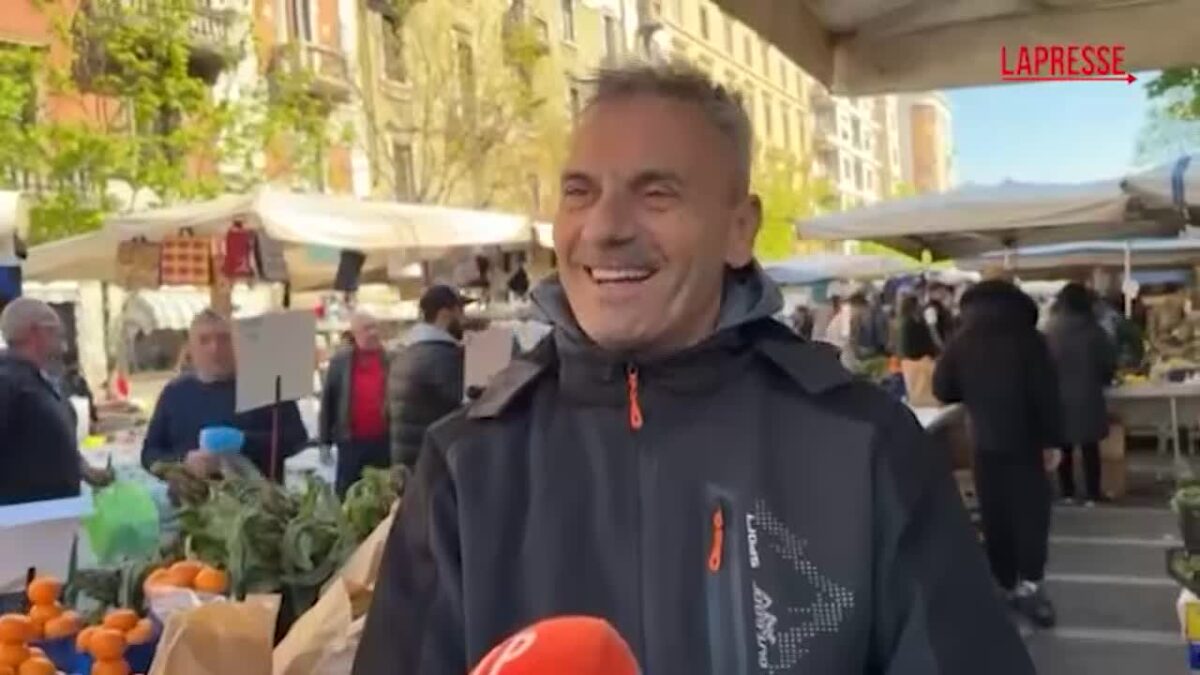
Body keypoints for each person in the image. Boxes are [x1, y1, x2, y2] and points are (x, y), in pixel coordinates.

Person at [354, 63, 1032, 675]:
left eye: (656, 193)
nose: (605, 227)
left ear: (739, 228)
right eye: (580, 192)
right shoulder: (467, 466)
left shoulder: (866, 448)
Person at [933, 279, 1062, 628]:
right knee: (1031, 515)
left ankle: (1004, 584)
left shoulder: (962, 340)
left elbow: (943, 388)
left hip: (984, 443)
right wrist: (1052, 441)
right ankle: (1031, 587)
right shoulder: (1030, 340)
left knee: (995, 515)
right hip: (1028, 443)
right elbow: (1047, 394)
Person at [141, 309, 308, 480]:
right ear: (191, 349)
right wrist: (184, 461)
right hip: (192, 493)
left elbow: (297, 439)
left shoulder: (267, 386)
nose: (215, 348)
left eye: (224, 339)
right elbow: (149, 454)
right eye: (204, 340)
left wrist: (244, 442)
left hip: (257, 494)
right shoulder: (175, 393)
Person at [1, 298, 110, 505]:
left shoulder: (40, 380)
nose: (63, 345)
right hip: (23, 517)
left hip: (55, 511)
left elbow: (42, 442)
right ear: (36, 332)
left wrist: (81, 467)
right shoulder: (7, 381)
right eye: (56, 332)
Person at [1046, 283, 1116, 506]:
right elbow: (1107, 364)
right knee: (1090, 447)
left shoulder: (1050, 330)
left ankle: (1067, 491)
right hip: (1087, 394)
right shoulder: (1094, 330)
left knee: (1064, 445)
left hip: (1057, 396)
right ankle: (1092, 493)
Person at [386, 285, 469, 468]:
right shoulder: (444, 356)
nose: (463, 319)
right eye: (460, 312)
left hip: (408, 462)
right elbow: (466, 407)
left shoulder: (403, 354)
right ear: (445, 314)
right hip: (433, 464)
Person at [320, 311, 392, 496]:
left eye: (375, 327)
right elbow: (328, 402)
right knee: (347, 493)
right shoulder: (340, 362)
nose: (373, 333)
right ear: (355, 333)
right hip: (351, 442)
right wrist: (324, 441)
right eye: (367, 329)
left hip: (383, 440)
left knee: (383, 494)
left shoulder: (391, 359)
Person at [896, 293, 940, 406]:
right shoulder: (911, 323)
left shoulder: (904, 322)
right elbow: (921, 341)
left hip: (910, 360)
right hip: (918, 360)